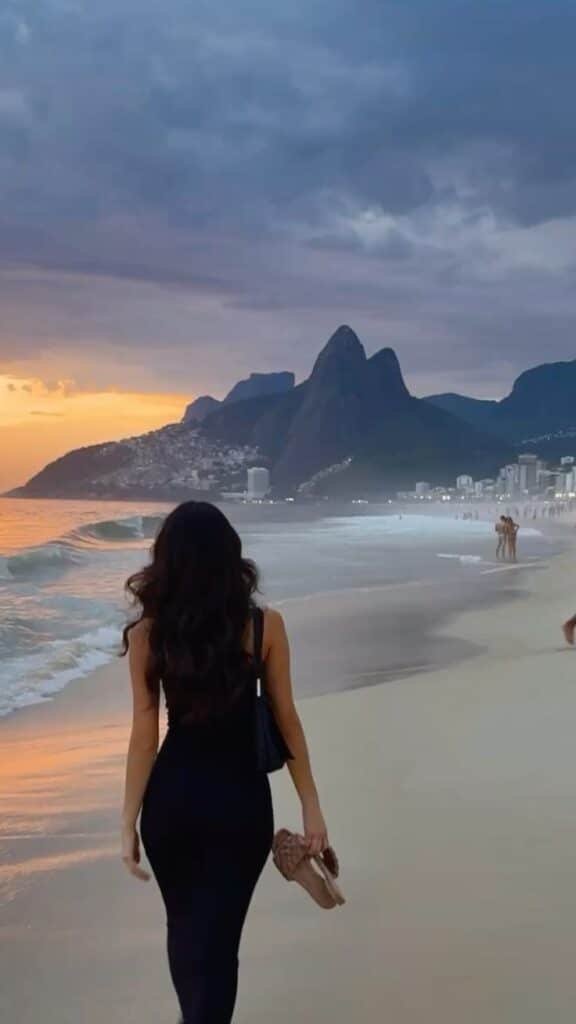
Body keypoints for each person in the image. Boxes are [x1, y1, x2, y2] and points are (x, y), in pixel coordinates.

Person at [120, 501, 328, 1024]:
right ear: (232, 558)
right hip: (240, 806)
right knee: (220, 941)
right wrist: (311, 806)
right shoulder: (264, 626)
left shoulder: (149, 633)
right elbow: (287, 720)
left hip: (172, 803)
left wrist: (128, 822)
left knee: (185, 928)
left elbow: (145, 732)